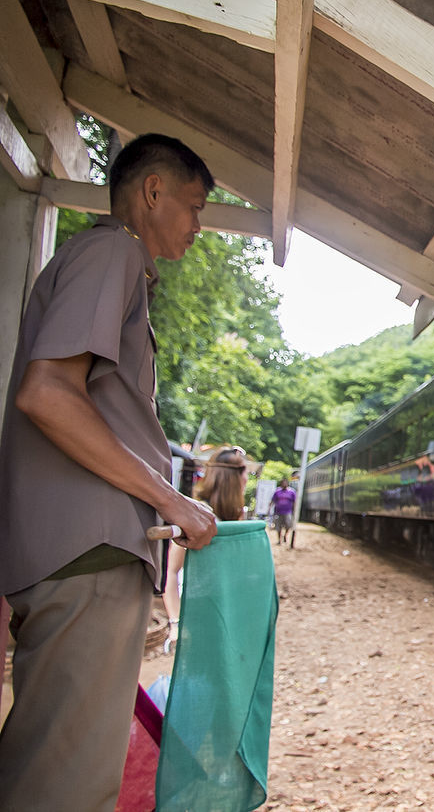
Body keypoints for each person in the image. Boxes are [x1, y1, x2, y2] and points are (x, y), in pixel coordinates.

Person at [0, 133, 219, 812]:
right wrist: (171, 500)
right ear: (152, 192)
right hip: (88, 557)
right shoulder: (112, 251)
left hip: (74, 558)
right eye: (194, 205)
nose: (198, 225)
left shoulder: (102, 261)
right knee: (64, 785)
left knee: (51, 759)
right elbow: (49, 394)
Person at [163, 447, 250, 650]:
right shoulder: (197, 514)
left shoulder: (238, 516)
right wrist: (176, 623)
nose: (247, 479)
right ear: (232, 477)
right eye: (245, 472)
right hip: (196, 615)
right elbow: (172, 571)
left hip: (226, 613)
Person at [270, 478, 298, 547]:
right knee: (278, 526)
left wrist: (294, 511)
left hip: (288, 512)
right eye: (283, 483)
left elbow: (295, 502)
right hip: (278, 512)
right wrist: (269, 509)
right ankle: (279, 540)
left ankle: (285, 535)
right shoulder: (277, 492)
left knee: (288, 525)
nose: (284, 484)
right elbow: (273, 501)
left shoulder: (292, 492)